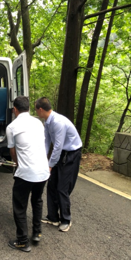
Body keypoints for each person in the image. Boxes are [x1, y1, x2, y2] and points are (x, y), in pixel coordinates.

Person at [7, 96, 49, 252]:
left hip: (26, 172)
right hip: (43, 171)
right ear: (29, 108)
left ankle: (23, 241)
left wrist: (19, 164)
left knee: (19, 206)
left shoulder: (12, 127)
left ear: (15, 109)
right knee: (37, 200)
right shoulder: (39, 123)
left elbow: (12, 151)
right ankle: (37, 232)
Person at [35, 97, 83, 232]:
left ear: (40, 109)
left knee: (63, 187)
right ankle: (53, 217)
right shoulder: (47, 122)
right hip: (61, 153)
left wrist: (50, 166)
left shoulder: (58, 122)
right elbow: (46, 141)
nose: (36, 113)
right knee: (51, 185)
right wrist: (43, 159)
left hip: (71, 154)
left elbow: (57, 146)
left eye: (36, 110)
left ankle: (66, 219)